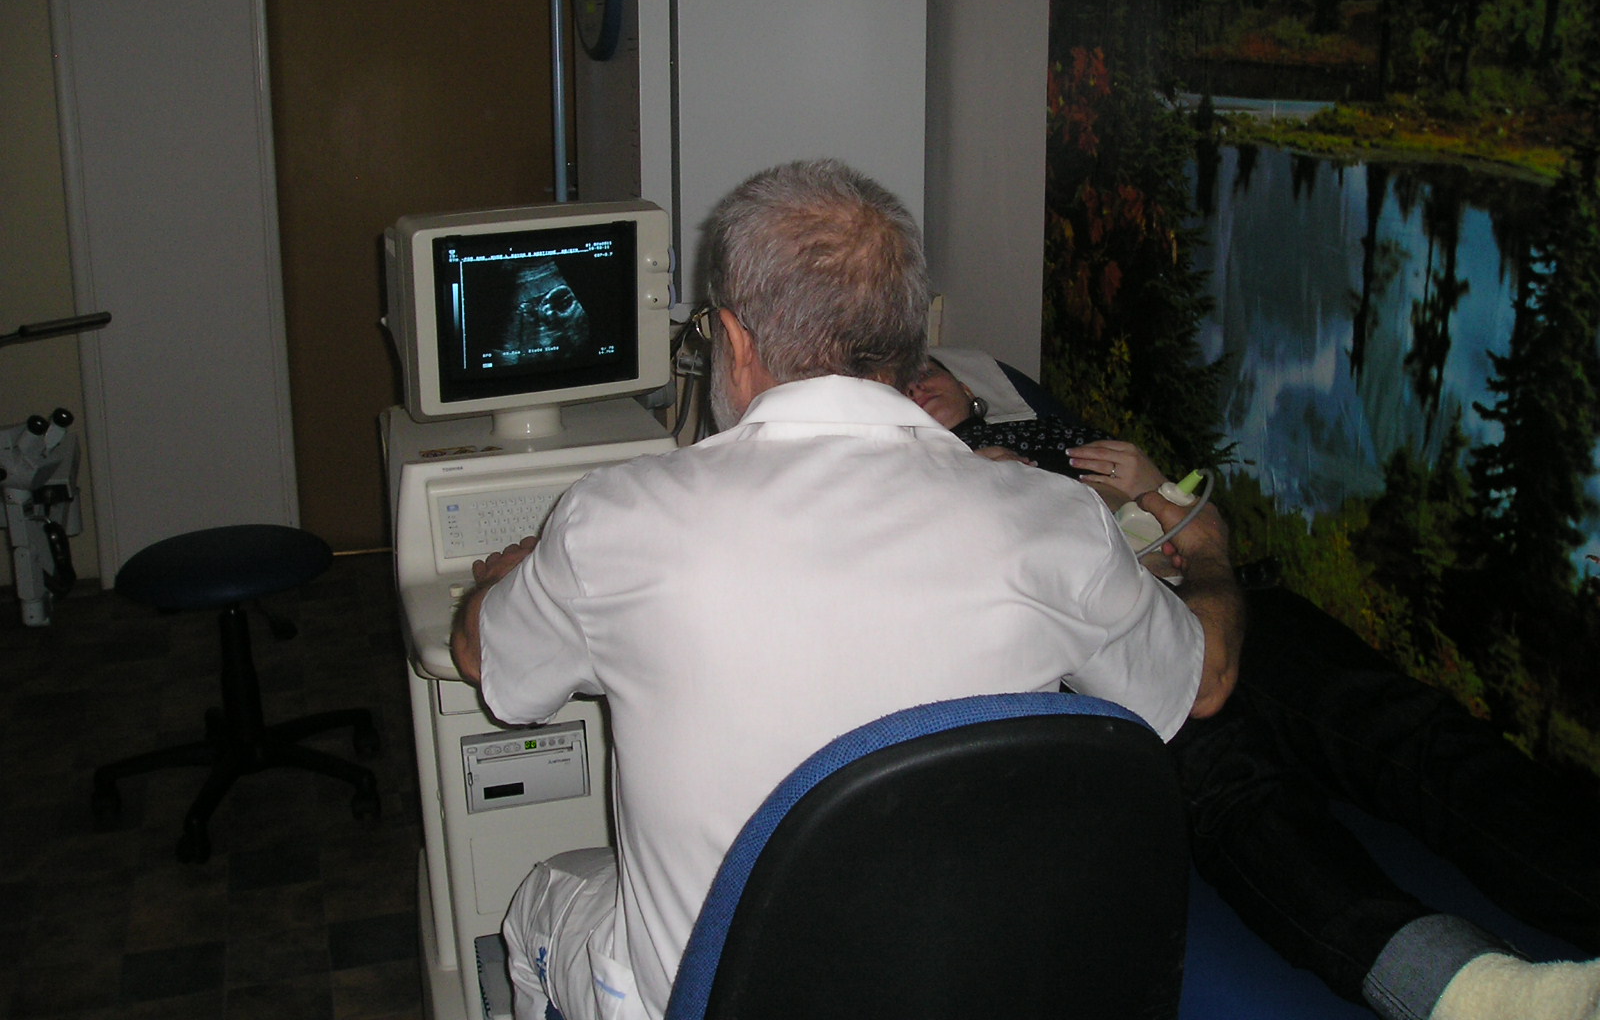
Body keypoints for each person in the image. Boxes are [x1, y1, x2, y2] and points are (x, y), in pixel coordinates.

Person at [449, 159, 1245, 1020]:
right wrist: (1208, 552)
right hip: (969, 985)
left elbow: (491, 665)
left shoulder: (615, 520)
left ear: (734, 341)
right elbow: (1203, 683)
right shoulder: (1057, 523)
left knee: (540, 897)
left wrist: (506, 579)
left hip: (711, 1000)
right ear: (910, 342)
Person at [912, 358, 1600, 1020]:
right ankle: (1476, 994)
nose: (917, 384)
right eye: (902, 384)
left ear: (974, 388)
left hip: (1218, 601)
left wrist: (1155, 491)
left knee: (1406, 724)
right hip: (1105, 657)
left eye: (932, 370)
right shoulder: (914, 485)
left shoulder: (1050, 433)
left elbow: (1189, 529)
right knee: (1236, 790)